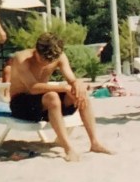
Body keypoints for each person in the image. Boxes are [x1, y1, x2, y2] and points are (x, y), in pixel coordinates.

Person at [7, 32, 113, 162]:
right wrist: (63, 88)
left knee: (79, 93)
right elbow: (33, 88)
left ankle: (94, 142)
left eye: (49, 61)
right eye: (42, 60)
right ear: (36, 50)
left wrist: (77, 84)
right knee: (52, 97)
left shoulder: (59, 56)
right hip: (21, 104)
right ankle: (68, 149)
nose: (45, 64)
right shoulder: (22, 58)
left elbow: (72, 79)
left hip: (43, 103)